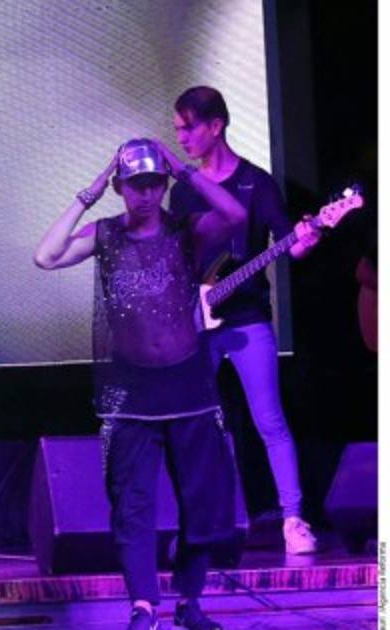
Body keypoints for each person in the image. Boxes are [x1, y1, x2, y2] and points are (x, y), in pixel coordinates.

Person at [34, 139, 245, 630]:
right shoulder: (105, 234)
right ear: (120, 188)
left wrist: (184, 171)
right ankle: (144, 606)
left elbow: (235, 215)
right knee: (132, 505)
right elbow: (46, 256)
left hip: (189, 388)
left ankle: (189, 601)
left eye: (154, 184)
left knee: (201, 502)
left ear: (163, 185)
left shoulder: (187, 231)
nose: (146, 195)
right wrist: (89, 192)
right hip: (129, 395)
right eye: (135, 185)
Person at [168, 86, 321, 554]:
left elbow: (290, 244)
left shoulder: (257, 183)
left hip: (248, 319)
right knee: (195, 425)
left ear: (216, 126)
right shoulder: (184, 192)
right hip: (198, 323)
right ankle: (199, 524)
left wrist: (306, 238)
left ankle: (294, 520)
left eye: (188, 128)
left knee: (269, 420)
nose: (181, 139)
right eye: (177, 130)